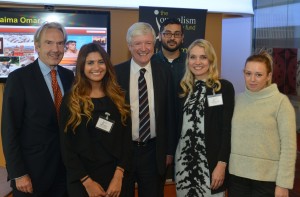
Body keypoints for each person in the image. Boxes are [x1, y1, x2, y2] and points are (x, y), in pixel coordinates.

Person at [1, 22, 74, 196]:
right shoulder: (18, 79)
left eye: (60, 43)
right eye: (49, 43)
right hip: (31, 176)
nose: (55, 49)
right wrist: (18, 173)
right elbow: (9, 130)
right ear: (37, 46)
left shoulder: (68, 76)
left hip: (64, 174)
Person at [59, 42, 132, 197]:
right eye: (90, 63)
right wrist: (87, 182)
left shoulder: (119, 98)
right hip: (83, 182)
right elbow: (67, 147)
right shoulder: (71, 100)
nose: (96, 67)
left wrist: (119, 176)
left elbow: (126, 141)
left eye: (100, 62)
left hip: (117, 180)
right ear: (81, 67)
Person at [115, 22, 175, 197]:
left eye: (148, 43)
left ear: (154, 44)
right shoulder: (116, 74)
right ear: (129, 46)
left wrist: (169, 150)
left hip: (153, 152)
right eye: (138, 43)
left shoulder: (164, 72)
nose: (143, 48)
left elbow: (170, 114)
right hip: (123, 152)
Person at [228, 51, 297, 197]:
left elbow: (289, 148)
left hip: (267, 181)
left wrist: (283, 184)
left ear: (269, 76)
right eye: (248, 73)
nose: (252, 79)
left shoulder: (281, 103)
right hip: (237, 178)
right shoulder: (237, 100)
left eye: (258, 74)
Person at [175, 39, 235, 196]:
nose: (197, 62)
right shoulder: (183, 89)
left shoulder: (223, 88)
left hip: (210, 166)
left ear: (211, 60)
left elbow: (227, 130)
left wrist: (222, 164)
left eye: (203, 57)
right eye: (193, 57)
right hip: (184, 167)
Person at [152, 17, 186, 95]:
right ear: (160, 36)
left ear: (182, 38)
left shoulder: (190, 62)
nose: (172, 38)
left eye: (177, 34)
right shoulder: (150, 62)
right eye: (167, 33)